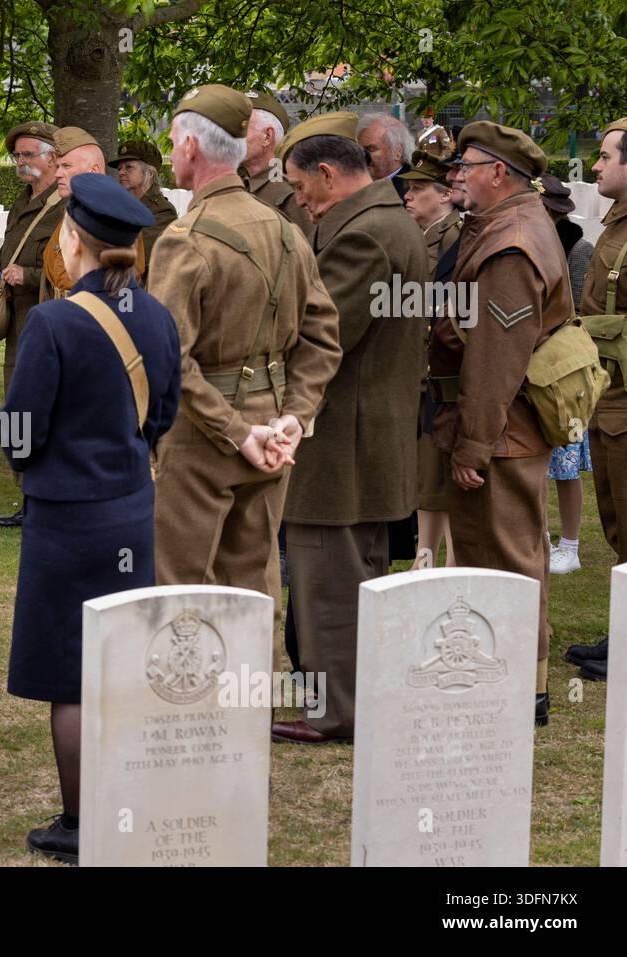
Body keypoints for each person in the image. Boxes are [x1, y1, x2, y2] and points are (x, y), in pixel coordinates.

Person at [2, 173, 181, 864]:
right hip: (130, 507)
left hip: (64, 516)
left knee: (69, 675)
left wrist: (34, 463)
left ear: (71, 239)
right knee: (119, 664)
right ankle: (127, 804)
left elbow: (20, 431)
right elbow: (160, 415)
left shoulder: (52, 321)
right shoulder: (158, 315)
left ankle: (82, 823)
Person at [149, 86, 342, 622]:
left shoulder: (182, 240)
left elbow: (168, 360)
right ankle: (259, 703)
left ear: (190, 147)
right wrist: (293, 419)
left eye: (171, 142)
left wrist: (237, 432)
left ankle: (192, 707)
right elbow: (324, 334)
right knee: (254, 586)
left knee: (183, 592)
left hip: (201, 434)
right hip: (273, 430)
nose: (169, 152)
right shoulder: (285, 230)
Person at [271, 112, 428, 745]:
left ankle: (337, 713)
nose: (298, 198)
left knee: (329, 584)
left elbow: (319, 333)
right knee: (349, 579)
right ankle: (352, 700)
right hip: (364, 433)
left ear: (327, 174)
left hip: (342, 439)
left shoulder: (365, 235)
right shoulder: (384, 221)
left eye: (299, 185)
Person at [428, 121, 572, 725]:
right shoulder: (496, 228)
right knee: (497, 558)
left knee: (509, 563)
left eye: (466, 163)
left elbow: (495, 358)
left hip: (503, 431)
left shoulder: (510, 244)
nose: (455, 172)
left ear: (498, 173)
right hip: (501, 427)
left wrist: (474, 446)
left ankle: (522, 694)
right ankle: (512, 685)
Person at [0, 121, 64, 528]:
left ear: (53, 157)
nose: (21, 162)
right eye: (17, 155)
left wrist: (28, 276)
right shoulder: (22, 200)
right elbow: (15, 247)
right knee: (19, 405)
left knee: (49, 406)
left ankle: (49, 498)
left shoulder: (66, 202)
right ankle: (29, 495)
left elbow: (68, 266)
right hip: (19, 322)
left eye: (29, 154)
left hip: (48, 315)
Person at [571, 117, 627, 681]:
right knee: (616, 522)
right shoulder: (615, 226)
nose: (596, 165)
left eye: (607, 156)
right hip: (611, 395)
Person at [397, 150, 463, 566]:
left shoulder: (456, 237)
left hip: (445, 371)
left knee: (444, 472)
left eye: (419, 189)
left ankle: (453, 559)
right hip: (419, 370)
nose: (409, 195)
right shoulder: (419, 235)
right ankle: (426, 553)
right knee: (426, 472)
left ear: (444, 196)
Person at [539, 174, 596, 576]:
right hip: (533, 365)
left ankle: (571, 545)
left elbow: (581, 312)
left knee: (566, 463)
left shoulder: (578, 247)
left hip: (565, 368)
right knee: (535, 464)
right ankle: (539, 538)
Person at [40, 128, 115, 298]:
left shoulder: (114, 218)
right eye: (58, 166)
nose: (57, 174)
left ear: (94, 171)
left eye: (66, 166)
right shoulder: (76, 212)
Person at [108, 138, 178, 272]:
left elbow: (136, 254)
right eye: (120, 168)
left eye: (129, 167)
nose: (121, 172)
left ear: (150, 173)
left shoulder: (163, 211)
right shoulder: (119, 207)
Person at [242, 90, 309, 228]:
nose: (232, 136)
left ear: (267, 136)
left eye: (242, 128)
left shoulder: (290, 194)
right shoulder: (247, 185)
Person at [357, 113, 415, 198]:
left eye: (371, 149)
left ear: (397, 152)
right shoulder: (359, 182)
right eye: (359, 149)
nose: (363, 156)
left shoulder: (412, 189)